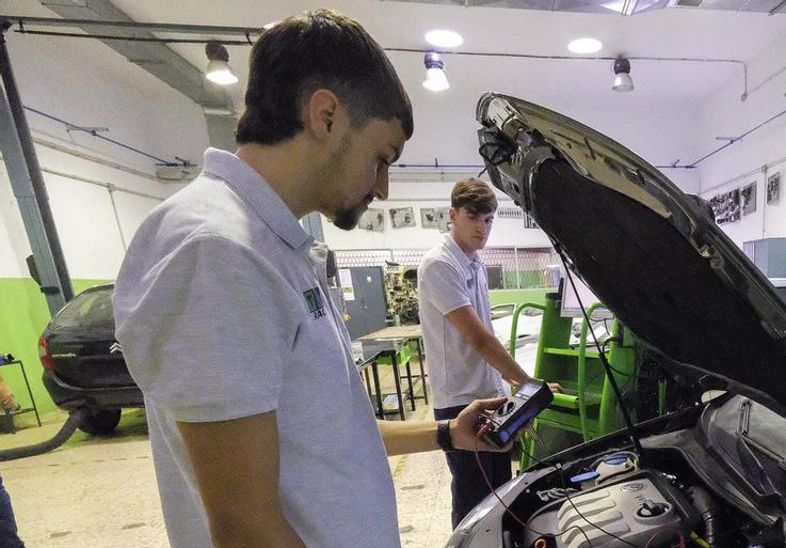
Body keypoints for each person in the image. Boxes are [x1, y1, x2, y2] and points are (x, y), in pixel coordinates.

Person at [113, 10, 506, 548]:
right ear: (325, 115)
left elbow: (316, 436)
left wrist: (444, 432)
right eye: (381, 157)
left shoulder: (273, 246)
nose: (384, 187)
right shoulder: (217, 252)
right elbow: (246, 525)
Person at [417, 179, 557, 526]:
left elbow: (488, 335)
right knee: (473, 500)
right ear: (453, 215)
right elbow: (479, 340)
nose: (482, 227)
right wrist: (529, 385)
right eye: (473, 217)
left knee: (499, 492)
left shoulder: (474, 262)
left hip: (489, 393)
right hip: (460, 400)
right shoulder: (440, 265)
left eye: (489, 219)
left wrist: (512, 388)